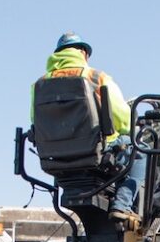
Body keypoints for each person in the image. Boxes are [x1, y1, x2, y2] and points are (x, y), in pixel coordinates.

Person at [31, 32, 144, 221]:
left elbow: (35, 121)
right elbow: (122, 117)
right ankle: (122, 205)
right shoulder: (95, 77)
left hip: (55, 157)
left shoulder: (39, 85)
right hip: (96, 152)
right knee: (142, 153)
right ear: (83, 53)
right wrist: (134, 129)